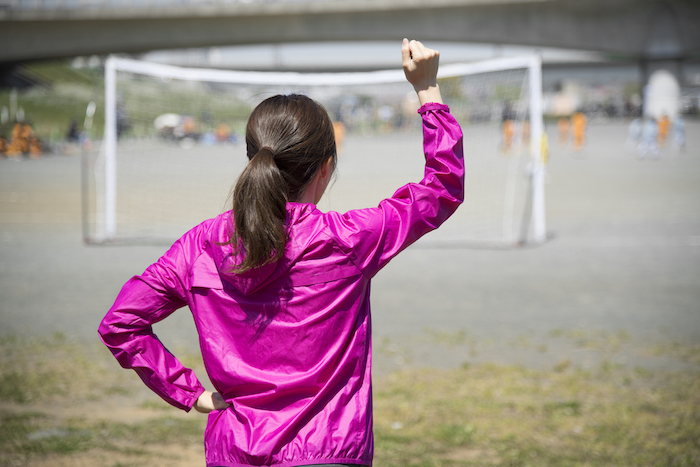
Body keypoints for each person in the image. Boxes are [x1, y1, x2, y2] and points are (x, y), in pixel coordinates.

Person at [98, 39, 464, 467]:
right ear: (326, 167)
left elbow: (121, 323)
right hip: (330, 450)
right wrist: (428, 90)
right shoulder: (347, 239)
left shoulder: (201, 245)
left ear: (253, 160)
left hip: (236, 449)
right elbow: (441, 188)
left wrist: (190, 394)